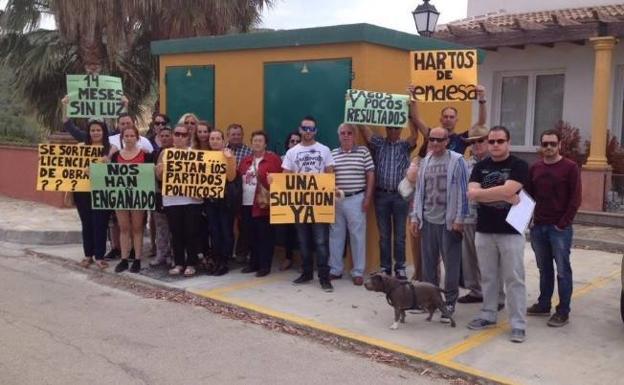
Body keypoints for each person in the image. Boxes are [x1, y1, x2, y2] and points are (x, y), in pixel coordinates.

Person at [466, 126, 529, 343]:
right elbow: (472, 195)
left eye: (499, 141)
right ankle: (488, 314)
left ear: (508, 142)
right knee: (488, 277)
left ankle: (518, 324)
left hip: (511, 232)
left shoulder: (519, 165)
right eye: (491, 141)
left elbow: (502, 191)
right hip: (484, 230)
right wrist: (504, 193)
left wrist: (483, 194)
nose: (495, 145)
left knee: (514, 279)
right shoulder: (480, 166)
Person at [410, 127, 469, 322]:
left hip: (448, 222)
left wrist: (460, 218)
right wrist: (415, 217)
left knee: (451, 265)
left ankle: (450, 302)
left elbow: (463, 190)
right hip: (428, 220)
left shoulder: (457, 160)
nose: (434, 143)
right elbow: (419, 192)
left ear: (447, 141)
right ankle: (430, 300)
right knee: (428, 265)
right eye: (431, 139)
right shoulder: (425, 161)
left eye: (438, 140)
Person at [526, 129, 582, 327]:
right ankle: (543, 304)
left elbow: (575, 199)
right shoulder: (535, 168)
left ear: (559, 145)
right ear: (541, 146)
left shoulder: (570, 167)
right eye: (545, 144)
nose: (548, 147)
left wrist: (562, 224)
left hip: (559, 229)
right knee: (545, 269)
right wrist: (530, 220)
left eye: (552, 144)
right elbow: (529, 197)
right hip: (539, 227)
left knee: (563, 271)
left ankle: (563, 311)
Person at [358, 114, 418, 279]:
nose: (393, 131)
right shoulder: (378, 143)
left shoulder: (405, 145)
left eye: (396, 128)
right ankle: (385, 268)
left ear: (400, 129)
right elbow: (364, 129)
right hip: (381, 195)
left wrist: (411, 115)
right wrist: (354, 108)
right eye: (390, 128)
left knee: (400, 235)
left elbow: (415, 136)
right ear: (386, 129)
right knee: (384, 235)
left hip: (400, 196)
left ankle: (400, 268)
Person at [282, 115, 335, 292]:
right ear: (300, 129)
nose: (308, 131)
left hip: (319, 203)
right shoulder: (292, 152)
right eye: (305, 128)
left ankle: (324, 277)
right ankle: (306, 273)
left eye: (311, 128)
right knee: (303, 240)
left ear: (315, 131)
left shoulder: (325, 150)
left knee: (321, 241)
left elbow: (329, 175)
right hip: (299, 204)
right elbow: (286, 176)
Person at [457, 125, 505, 309]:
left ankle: (498, 296)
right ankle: (476, 291)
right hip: (469, 216)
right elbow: (460, 191)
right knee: (469, 257)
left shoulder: (498, 163)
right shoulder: (465, 163)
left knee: (492, 259)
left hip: (491, 218)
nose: (476, 145)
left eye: (480, 140)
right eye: (472, 142)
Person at [328, 124, 375, 286]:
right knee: (335, 235)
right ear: (339, 136)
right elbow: (329, 175)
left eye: (349, 133)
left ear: (354, 135)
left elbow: (370, 175)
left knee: (357, 236)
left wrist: (367, 198)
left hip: (357, 198)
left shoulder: (363, 152)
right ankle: (335, 269)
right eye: (342, 133)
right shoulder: (332, 153)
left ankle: (358, 272)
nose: (346, 136)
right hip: (337, 199)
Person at [155, 124, 203, 277]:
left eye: (184, 134)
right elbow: (159, 177)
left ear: (188, 137)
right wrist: (160, 170)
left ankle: (191, 263)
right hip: (172, 200)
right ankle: (179, 263)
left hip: (192, 200)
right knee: (176, 233)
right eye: (177, 134)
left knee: (192, 232)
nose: (180, 137)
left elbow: (202, 177)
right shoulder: (165, 153)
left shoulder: (195, 153)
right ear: (173, 136)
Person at [111, 125, 155, 274]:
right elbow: (109, 176)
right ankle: (123, 259)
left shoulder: (146, 155)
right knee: (123, 228)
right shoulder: (116, 156)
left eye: (132, 136)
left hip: (138, 197)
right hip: (120, 196)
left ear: (137, 138)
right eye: (126, 136)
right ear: (122, 138)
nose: (129, 138)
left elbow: (150, 175)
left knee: (137, 228)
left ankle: (137, 259)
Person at [238, 131, 282, 277]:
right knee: (250, 235)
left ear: (265, 144)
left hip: (263, 204)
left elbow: (281, 180)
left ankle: (264, 266)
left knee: (265, 236)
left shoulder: (273, 159)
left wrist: (271, 181)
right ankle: (253, 263)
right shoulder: (245, 160)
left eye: (260, 141)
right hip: (246, 203)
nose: (257, 143)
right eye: (254, 140)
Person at [73, 120, 112, 270]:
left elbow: (115, 170)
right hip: (82, 191)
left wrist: (107, 163)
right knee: (86, 223)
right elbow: (71, 169)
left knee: (100, 224)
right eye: (93, 130)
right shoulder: (80, 148)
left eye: (98, 130)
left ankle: (100, 256)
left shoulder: (110, 149)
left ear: (104, 132)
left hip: (103, 191)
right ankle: (88, 255)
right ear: (88, 132)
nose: (95, 133)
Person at [409, 85, 487, 155]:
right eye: (445, 117)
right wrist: (413, 97)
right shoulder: (432, 135)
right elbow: (416, 118)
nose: (448, 119)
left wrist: (482, 99)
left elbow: (481, 122)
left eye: (451, 117)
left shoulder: (462, 138)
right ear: (441, 119)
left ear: (456, 120)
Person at [204, 129, 238, 276]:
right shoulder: (204, 156)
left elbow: (231, 177)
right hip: (210, 201)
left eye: (218, 138)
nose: (215, 141)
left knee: (226, 231)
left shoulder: (229, 155)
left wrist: (229, 159)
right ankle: (216, 260)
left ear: (223, 140)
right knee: (214, 232)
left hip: (225, 201)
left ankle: (224, 261)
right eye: (212, 138)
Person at [226, 123, 253, 264]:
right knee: (227, 224)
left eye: (238, 134)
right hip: (225, 194)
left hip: (243, 193)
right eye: (233, 134)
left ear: (242, 136)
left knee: (244, 225)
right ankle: (228, 253)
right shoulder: (221, 152)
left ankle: (242, 252)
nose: (236, 137)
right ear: (228, 136)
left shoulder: (249, 153)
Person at [149, 125, 174, 267]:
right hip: (159, 194)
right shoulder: (155, 152)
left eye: (167, 135)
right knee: (160, 227)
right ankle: (161, 255)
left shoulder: (178, 153)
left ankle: (172, 255)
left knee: (173, 228)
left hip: (174, 195)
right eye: (162, 136)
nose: (164, 138)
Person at [278, 131, 301, 271]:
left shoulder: (306, 157)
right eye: (292, 141)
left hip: (304, 201)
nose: (294, 144)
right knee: (288, 231)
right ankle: (288, 258)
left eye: (297, 141)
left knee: (304, 231)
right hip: (287, 200)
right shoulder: (281, 159)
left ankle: (305, 261)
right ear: (287, 144)